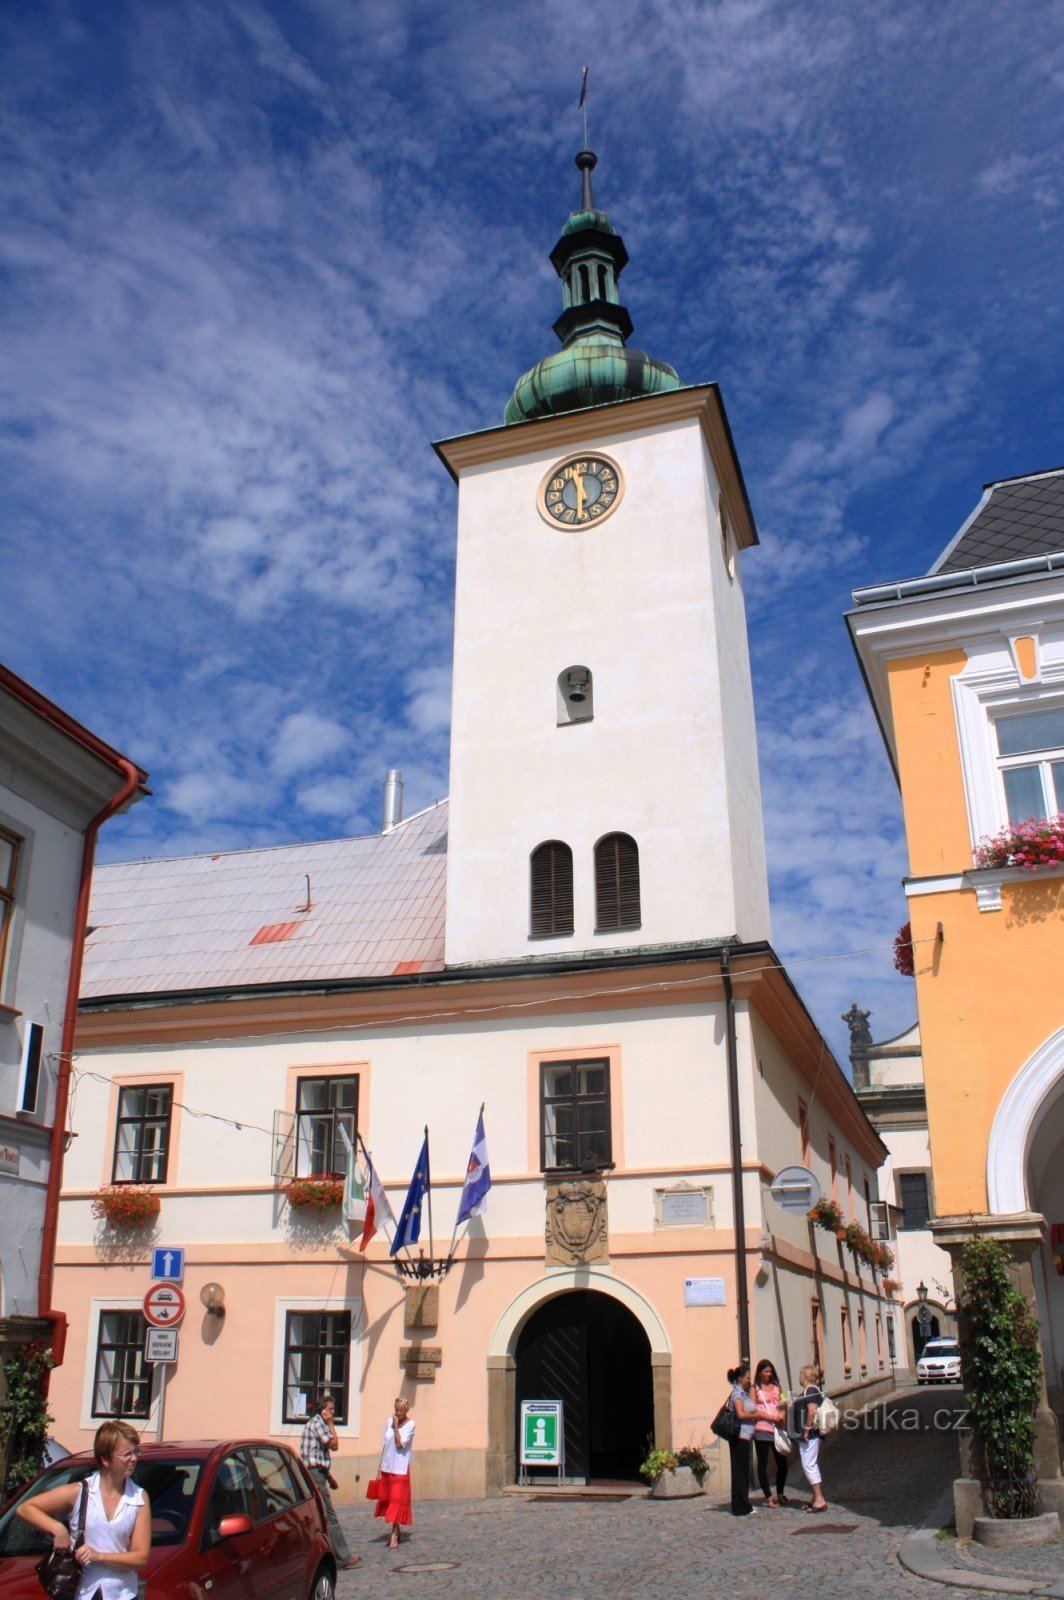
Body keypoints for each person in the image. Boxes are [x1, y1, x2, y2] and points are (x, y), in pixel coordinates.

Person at [16, 1420, 150, 1600]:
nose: (134, 1458)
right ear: (105, 1459)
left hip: (123, 1594)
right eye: (127, 1454)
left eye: (136, 1452)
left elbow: (140, 1558)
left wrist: (99, 1556)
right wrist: (58, 1529)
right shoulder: (80, 1492)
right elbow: (25, 1508)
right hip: (83, 1592)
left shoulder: (139, 1497)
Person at [300, 1395, 360, 1569]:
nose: (333, 1412)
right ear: (323, 1410)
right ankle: (342, 1557)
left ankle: (328, 1554)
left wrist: (330, 1477)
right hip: (315, 1474)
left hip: (318, 1473)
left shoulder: (317, 1423)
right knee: (328, 1515)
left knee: (320, 1514)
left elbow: (319, 1455)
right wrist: (331, 1423)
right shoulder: (320, 1423)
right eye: (331, 1409)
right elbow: (334, 1445)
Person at [374, 1395, 415, 1549]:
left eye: (401, 1411)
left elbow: (399, 1444)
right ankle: (396, 1529)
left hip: (400, 1468)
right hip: (387, 1466)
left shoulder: (411, 1425)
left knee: (397, 1501)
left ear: (406, 1411)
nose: (398, 1413)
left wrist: (397, 1426)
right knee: (391, 1501)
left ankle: (393, 1535)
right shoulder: (387, 1422)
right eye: (396, 1410)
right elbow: (385, 1443)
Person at [752, 1358, 790, 1506]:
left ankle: (780, 1492)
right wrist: (771, 1416)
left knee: (782, 1463)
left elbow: (784, 1402)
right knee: (763, 1464)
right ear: (760, 1372)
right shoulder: (754, 1388)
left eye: (770, 1371)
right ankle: (768, 1496)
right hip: (762, 1429)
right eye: (765, 1371)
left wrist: (782, 1415)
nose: (768, 1374)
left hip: (777, 1430)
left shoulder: (777, 1386)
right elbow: (753, 1409)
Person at [725, 1361, 759, 1517]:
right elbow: (741, 1414)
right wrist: (755, 1416)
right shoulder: (737, 1394)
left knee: (743, 1472)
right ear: (740, 1378)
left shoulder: (743, 1392)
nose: (749, 1380)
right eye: (747, 1378)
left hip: (745, 1437)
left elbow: (753, 1404)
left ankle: (743, 1504)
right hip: (739, 1437)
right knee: (739, 1473)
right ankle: (740, 1506)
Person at [793, 1363, 828, 1512]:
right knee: (811, 1464)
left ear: (806, 1375)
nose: (799, 1377)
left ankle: (819, 1499)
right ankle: (815, 1497)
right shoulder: (812, 1390)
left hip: (811, 1435)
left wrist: (806, 1430)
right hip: (812, 1435)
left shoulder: (810, 1390)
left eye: (801, 1373)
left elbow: (812, 1410)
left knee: (809, 1465)